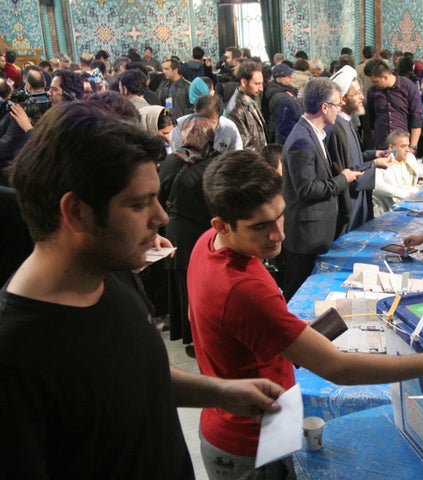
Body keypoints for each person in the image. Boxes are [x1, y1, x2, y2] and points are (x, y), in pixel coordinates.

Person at [0, 101, 285, 478]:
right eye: (139, 204)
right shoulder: (15, 358)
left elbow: (135, 372)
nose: (162, 217)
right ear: (77, 213)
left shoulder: (110, 274)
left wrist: (222, 393)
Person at [187, 150, 423, 479]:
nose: (278, 234)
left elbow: (236, 331)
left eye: (280, 216)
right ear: (222, 225)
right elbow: (338, 368)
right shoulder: (244, 290)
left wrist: (292, 335)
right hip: (251, 444)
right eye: (261, 226)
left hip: (244, 424)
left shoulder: (208, 243)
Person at [281, 78, 363, 301]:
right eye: (337, 105)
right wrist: (342, 180)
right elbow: (306, 190)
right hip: (306, 235)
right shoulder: (302, 141)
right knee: (298, 291)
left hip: (316, 229)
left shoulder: (313, 134)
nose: (339, 109)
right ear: (324, 107)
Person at [159, 115, 220, 355]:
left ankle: (190, 335)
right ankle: (201, 339)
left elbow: (160, 198)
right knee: (202, 291)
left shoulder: (170, 162)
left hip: (177, 235)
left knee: (185, 288)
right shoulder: (212, 165)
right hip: (203, 235)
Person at [327, 66, 393, 234]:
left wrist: (374, 154)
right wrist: (375, 164)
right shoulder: (336, 128)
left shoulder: (347, 122)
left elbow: (356, 157)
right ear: (342, 99)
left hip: (360, 197)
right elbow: (345, 170)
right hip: (350, 202)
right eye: (356, 93)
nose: (362, 97)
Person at [364, 58, 423, 150]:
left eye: (375, 81)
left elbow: (416, 118)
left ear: (386, 77)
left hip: (403, 147)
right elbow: (371, 119)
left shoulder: (408, 87)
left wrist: (413, 146)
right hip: (381, 145)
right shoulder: (372, 91)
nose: (373, 84)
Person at [373, 129, 423, 215]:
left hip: (411, 205)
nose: (407, 150)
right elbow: (377, 185)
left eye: (408, 146)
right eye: (403, 146)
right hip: (390, 209)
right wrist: (405, 194)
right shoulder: (382, 162)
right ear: (391, 147)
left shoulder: (409, 157)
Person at [171, 94, 242, 153]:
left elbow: (236, 154)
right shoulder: (179, 125)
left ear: (219, 116)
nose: (206, 127)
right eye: (202, 122)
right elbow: (176, 154)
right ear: (195, 111)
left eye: (212, 123)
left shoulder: (229, 127)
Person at [226, 61, 267, 152]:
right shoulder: (236, 109)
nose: (261, 88)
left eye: (261, 83)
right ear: (244, 82)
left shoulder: (251, 99)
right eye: (257, 84)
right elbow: (245, 147)